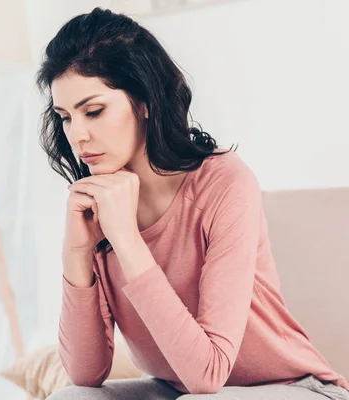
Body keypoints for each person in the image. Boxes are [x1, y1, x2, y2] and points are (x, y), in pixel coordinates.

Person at [35, 7, 349, 400]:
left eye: (94, 111)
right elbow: (85, 372)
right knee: (72, 398)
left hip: (293, 388)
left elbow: (208, 374)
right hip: (177, 390)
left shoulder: (223, 183)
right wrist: (77, 252)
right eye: (65, 117)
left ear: (145, 101)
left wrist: (127, 239)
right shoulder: (100, 200)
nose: (77, 135)